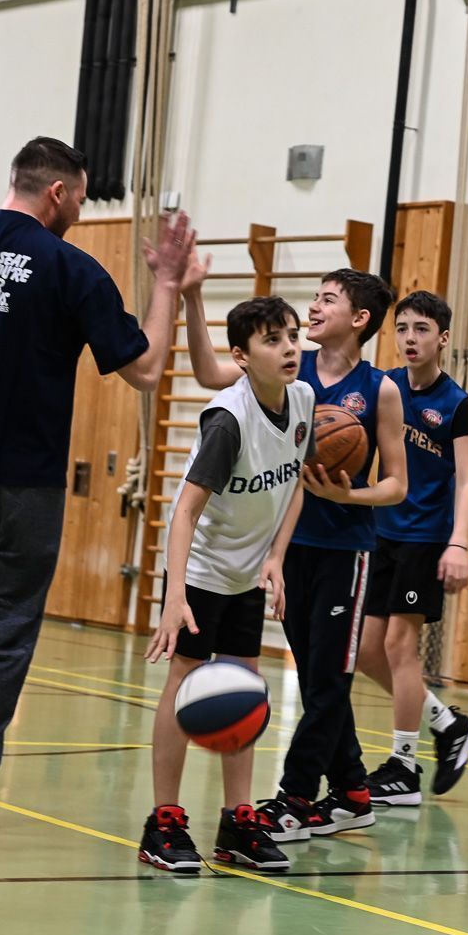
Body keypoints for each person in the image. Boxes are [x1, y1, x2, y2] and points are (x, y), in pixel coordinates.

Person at [0, 136, 192, 833]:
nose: (78, 208)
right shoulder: (71, 268)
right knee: (5, 630)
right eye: (80, 196)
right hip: (31, 486)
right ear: (58, 193)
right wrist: (167, 284)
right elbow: (144, 370)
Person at [136, 293, 313, 874]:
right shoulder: (228, 421)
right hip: (204, 571)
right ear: (241, 356)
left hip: (246, 574)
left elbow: (297, 488)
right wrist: (174, 596)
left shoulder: (305, 400)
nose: (289, 348)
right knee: (186, 685)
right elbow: (184, 513)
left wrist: (277, 558)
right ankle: (163, 820)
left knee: (245, 692)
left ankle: (238, 821)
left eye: (292, 335)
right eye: (272, 340)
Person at [264, 270, 407, 841]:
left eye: (328, 299)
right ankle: (352, 791)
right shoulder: (290, 371)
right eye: (316, 297)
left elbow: (396, 484)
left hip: (345, 551)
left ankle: (293, 797)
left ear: (360, 319)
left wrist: (346, 494)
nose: (314, 307)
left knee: (325, 683)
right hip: (288, 545)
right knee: (321, 677)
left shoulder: (381, 390)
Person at [356, 291, 468, 806]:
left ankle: (403, 768)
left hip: (425, 537)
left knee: (397, 648)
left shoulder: (456, 403)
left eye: (422, 329)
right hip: (379, 533)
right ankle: (448, 723)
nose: (410, 338)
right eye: (403, 328)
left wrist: (459, 542)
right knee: (366, 650)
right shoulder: (383, 386)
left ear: (443, 338)